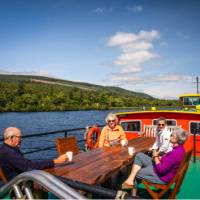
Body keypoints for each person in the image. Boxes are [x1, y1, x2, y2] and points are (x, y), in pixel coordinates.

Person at [122, 127, 188, 197]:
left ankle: (133, 195)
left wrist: (156, 156)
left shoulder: (175, 153)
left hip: (161, 176)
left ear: (176, 139)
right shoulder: (181, 150)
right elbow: (169, 162)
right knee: (139, 155)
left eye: (172, 135)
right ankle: (130, 179)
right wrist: (161, 158)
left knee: (135, 172)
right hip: (163, 168)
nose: (170, 136)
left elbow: (161, 170)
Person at [0, 127, 68, 181]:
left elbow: (26, 164)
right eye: (19, 137)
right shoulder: (9, 152)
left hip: (22, 178)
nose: (21, 139)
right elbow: (29, 166)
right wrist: (55, 161)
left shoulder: (6, 149)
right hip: (20, 183)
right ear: (11, 138)